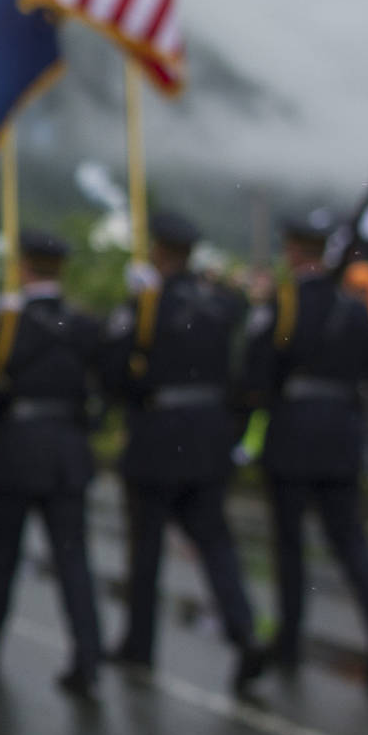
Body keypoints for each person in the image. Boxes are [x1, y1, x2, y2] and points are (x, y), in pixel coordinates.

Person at [101, 211, 267, 693]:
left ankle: (139, 643)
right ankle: (244, 631)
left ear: (159, 250)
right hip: (210, 434)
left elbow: (114, 373)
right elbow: (246, 369)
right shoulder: (224, 303)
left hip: (158, 432)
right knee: (215, 543)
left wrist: (138, 392)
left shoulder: (147, 303)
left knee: (147, 547)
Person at [245, 210, 368, 685]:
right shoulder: (354, 306)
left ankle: (290, 638)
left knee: (290, 545)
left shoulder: (285, 303)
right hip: (341, 434)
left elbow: (258, 373)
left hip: (294, 431)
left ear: (294, 249)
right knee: (350, 540)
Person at [0, 229, 106, 699]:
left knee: (2, 555)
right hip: (67, 449)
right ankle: (88, 654)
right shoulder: (84, 325)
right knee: (73, 560)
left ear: (24, 266)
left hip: (14, 449)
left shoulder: (4, 325)